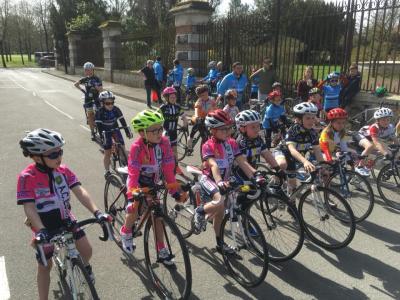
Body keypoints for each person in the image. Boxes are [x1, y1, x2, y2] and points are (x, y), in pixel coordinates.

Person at [17, 128, 110, 300]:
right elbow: (29, 207)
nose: (59, 157)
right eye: (53, 155)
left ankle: (84, 267)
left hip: (66, 218)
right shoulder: (27, 177)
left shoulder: (63, 170)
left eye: (60, 152)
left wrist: (97, 212)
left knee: (86, 251)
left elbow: (80, 192)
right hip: (43, 226)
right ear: (37, 157)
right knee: (45, 266)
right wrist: (41, 230)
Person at [192, 109, 266, 253]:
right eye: (223, 129)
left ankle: (220, 245)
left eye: (229, 128)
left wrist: (255, 175)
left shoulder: (232, 143)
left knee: (220, 214)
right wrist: (219, 182)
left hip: (226, 180)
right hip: (210, 179)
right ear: (212, 130)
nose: (228, 131)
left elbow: (242, 161)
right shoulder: (208, 145)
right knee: (219, 200)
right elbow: (213, 165)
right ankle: (200, 211)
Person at [120, 110, 187, 260]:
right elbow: (133, 174)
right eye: (154, 130)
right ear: (142, 133)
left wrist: (174, 191)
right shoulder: (137, 148)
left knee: (158, 215)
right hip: (138, 181)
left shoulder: (164, 143)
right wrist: (132, 196)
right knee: (135, 209)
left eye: (160, 128)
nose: (159, 133)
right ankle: (125, 231)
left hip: (153, 181)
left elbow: (169, 170)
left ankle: (161, 247)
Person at [273, 103, 325, 198]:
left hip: (294, 159)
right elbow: (292, 150)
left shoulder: (313, 133)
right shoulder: (293, 130)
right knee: (282, 165)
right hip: (283, 152)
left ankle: (290, 204)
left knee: (293, 187)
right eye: (308, 118)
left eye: (313, 118)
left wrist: (324, 165)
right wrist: (305, 161)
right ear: (299, 119)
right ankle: (275, 183)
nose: (311, 121)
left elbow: (317, 151)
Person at [234, 110, 284, 180]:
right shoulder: (241, 142)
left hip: (254, 171)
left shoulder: (258, 139)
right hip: (241, 175)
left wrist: (278, 169)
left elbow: (266, 154)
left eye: (258, 126)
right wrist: (256, 173)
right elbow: (244, 163)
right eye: (253, 127)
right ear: (242, 129)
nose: (257, 129)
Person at [95, 91, 133, 178]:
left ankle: (128, 166)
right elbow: (99, 126)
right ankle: (107, 171)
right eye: (107, 103)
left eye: (112, 102)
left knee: (123, 149)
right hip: (105, 131)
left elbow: (122, 121)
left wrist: (127, 130)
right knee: (107, 152)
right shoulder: (99, 112)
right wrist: (101, 136)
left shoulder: (116, 109)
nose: (110, 105)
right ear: (102, 103)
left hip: (115, 129)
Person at [353, 107, 398, 176]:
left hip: (371, 139)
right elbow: (376, 143)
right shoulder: (374, 127)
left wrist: (396, 149)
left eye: (388, 119)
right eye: (383, 120)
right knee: (370, 146)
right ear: (378, 120)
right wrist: (386, 153)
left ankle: (368, 166)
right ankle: (360, 166)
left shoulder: (390, 127)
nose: (386, 122)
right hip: (360, 135)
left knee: (387, 149)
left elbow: (395, 140)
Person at [74, 62, 103, 140]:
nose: (89, 71)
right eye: (87, 70)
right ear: (85, 71)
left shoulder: (97, 79)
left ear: (93, 70)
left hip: (97, 99)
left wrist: (95, 85)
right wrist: (83, 91)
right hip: (88, 100)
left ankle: (101, 129)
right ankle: (92, 132)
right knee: (90, 116)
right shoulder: (85, 79)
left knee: (100, 115)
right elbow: (76, 84)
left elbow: (101, 90)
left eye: (90, 70)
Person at [159, 87, 189, 161]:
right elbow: (156, 118)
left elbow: (184, 117)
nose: (173, 99)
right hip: (165, 132)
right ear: (166, 98)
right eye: (171, 97)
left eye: (174, 97)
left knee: (174, 149)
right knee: (166, 150)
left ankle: (176, 164)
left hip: (174, 132)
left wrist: (185, 125)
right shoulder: (163, 107)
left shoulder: (178, 107)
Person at [187, 85, 217, 153]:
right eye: (202, 95)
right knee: (199, 124)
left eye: (206, 94)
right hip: (199, 119)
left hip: (208, 119)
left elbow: (216, 110)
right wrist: (198, 116)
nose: (205, 96)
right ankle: (190, 140)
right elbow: (197, 112)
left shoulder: (212, 100)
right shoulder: (199, 102)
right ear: (199, 96)